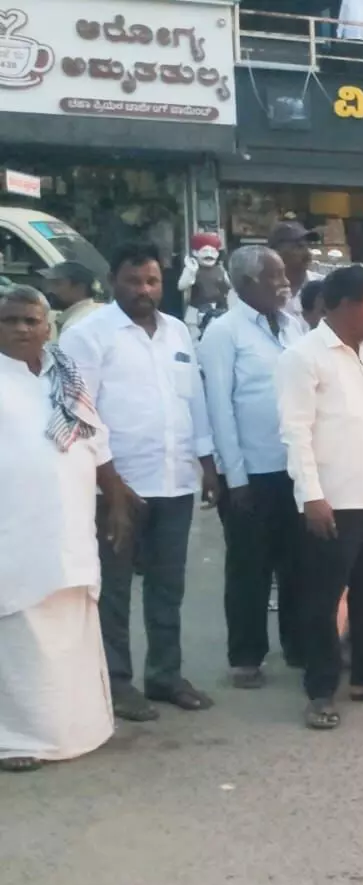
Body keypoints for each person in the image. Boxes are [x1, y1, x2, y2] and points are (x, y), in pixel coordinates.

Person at [60, 242, 220, 721]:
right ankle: (116, 681)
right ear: (113, 281)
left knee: (168, 586)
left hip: (173, 481)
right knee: (113, 589)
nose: (144, 290)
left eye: (152, 281)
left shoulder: (175, 332)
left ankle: (165, 675)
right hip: (116, 487)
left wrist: (207, 464)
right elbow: (77, 415)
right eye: (133, 281)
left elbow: (194, 401)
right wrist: (110, 484)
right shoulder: (87, 336)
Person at [276, 265, 363, 730]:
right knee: (321, 600)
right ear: (340, 306)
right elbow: (295, 432)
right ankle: (320, 690)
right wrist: (311, 496)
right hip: (333, 500)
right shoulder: (304, 357)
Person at [0, 286, 130, 773]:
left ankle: (79, 729)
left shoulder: (63, 375)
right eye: (9, 320)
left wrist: (115, 500)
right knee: (21, 633)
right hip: (14, 532)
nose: (20, 329)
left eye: (30, 320)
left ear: (47, 327)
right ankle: (15, 739)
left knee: (70, 622)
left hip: (69, 527)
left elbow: (95, 443)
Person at [197, 246, 308, 689]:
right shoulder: (224, 333)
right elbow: (219, 409)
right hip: (250, 473)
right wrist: (234, 477)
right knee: (250, 568)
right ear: (245, 284)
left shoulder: (294, 325)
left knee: (298, 564)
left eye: (283, 274)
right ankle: (246, 657)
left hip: (293, 467)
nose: (284, 282)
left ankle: (299, 645)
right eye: (273, 276)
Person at [270, 221, 322, 326]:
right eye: (299, 246)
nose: (307, 253)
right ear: (276, 251)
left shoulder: (323, 287)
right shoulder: (262, 291)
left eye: (308, 246)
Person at [41, 261, 103, 337]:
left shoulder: (76, 324)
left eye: (57, 284)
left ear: (80, 288)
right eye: (50, 284)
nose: (50, 290)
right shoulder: (97, 312)